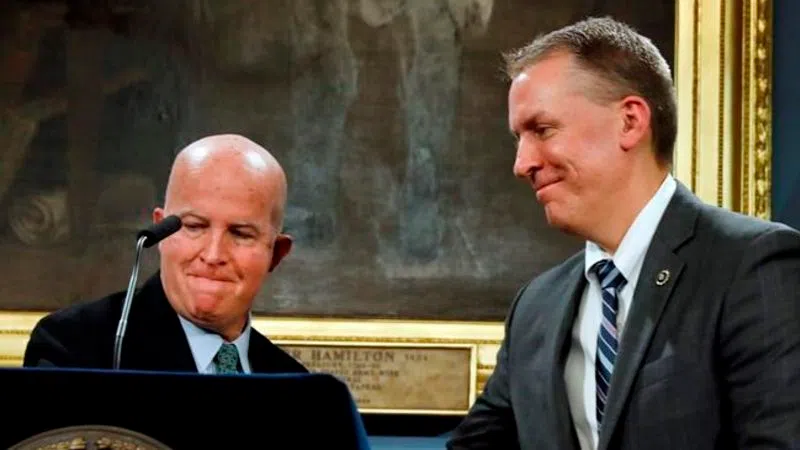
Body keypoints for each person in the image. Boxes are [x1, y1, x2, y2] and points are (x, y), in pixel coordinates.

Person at [446, 17, 800, 450]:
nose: (522, 164)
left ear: (630, 121)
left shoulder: (753, 267)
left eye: (542, 129)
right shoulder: (536, 306)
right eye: (519, 138)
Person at [23, 134, 308, 375]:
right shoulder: (74, 346)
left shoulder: (294, 384)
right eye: (194, 227)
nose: (213, 255)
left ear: (276, 253)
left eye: (240, 234)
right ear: (161, 232)